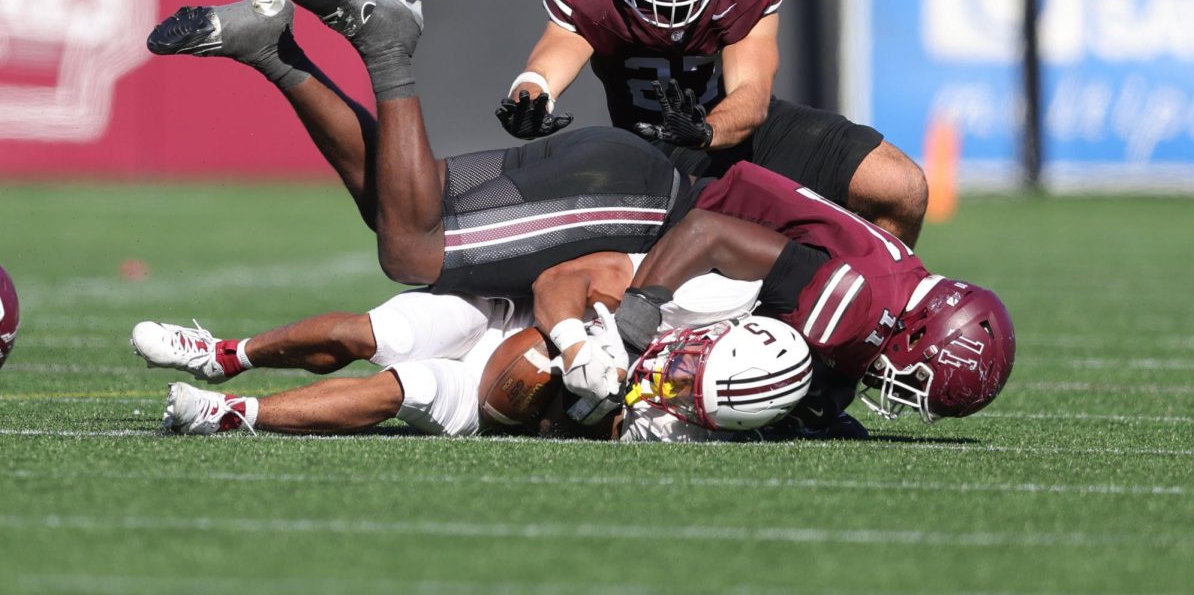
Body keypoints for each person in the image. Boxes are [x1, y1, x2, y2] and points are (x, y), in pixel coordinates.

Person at [147, 0, 688, 415]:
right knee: (411, 252)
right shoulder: (725, 282)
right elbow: (564, 283)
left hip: (623, 179)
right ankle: (388, 50)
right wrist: (575, 347)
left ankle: (272, 49)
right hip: (641, 202)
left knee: (397, 204)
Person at [494, 0, 929, 248]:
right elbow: (551, 59)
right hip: (647, 150)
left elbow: (752, 97)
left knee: (899, 184)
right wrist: (530, 96)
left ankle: (882, 309)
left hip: (733, 129)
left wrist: (704, 130)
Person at [131, 253, 814, 443]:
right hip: (504, 315)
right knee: (372, 335)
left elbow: (559, 427)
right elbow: (561, 279)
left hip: (502, 402)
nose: (676, 374)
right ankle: (223, 354)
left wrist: (573, 413)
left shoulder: (689, 434)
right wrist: (577, 347)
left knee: (404, 389)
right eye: (692, 360)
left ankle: (231, 414)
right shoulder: (699, 295)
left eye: (690, 387)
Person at [614, 162, 1017, 423]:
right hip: (660, 214)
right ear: (917, 334)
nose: (906, 393)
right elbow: (707, 233)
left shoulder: (903, 286)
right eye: (917, 381)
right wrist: (632, 329)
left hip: (694, 212)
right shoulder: (862, 307)